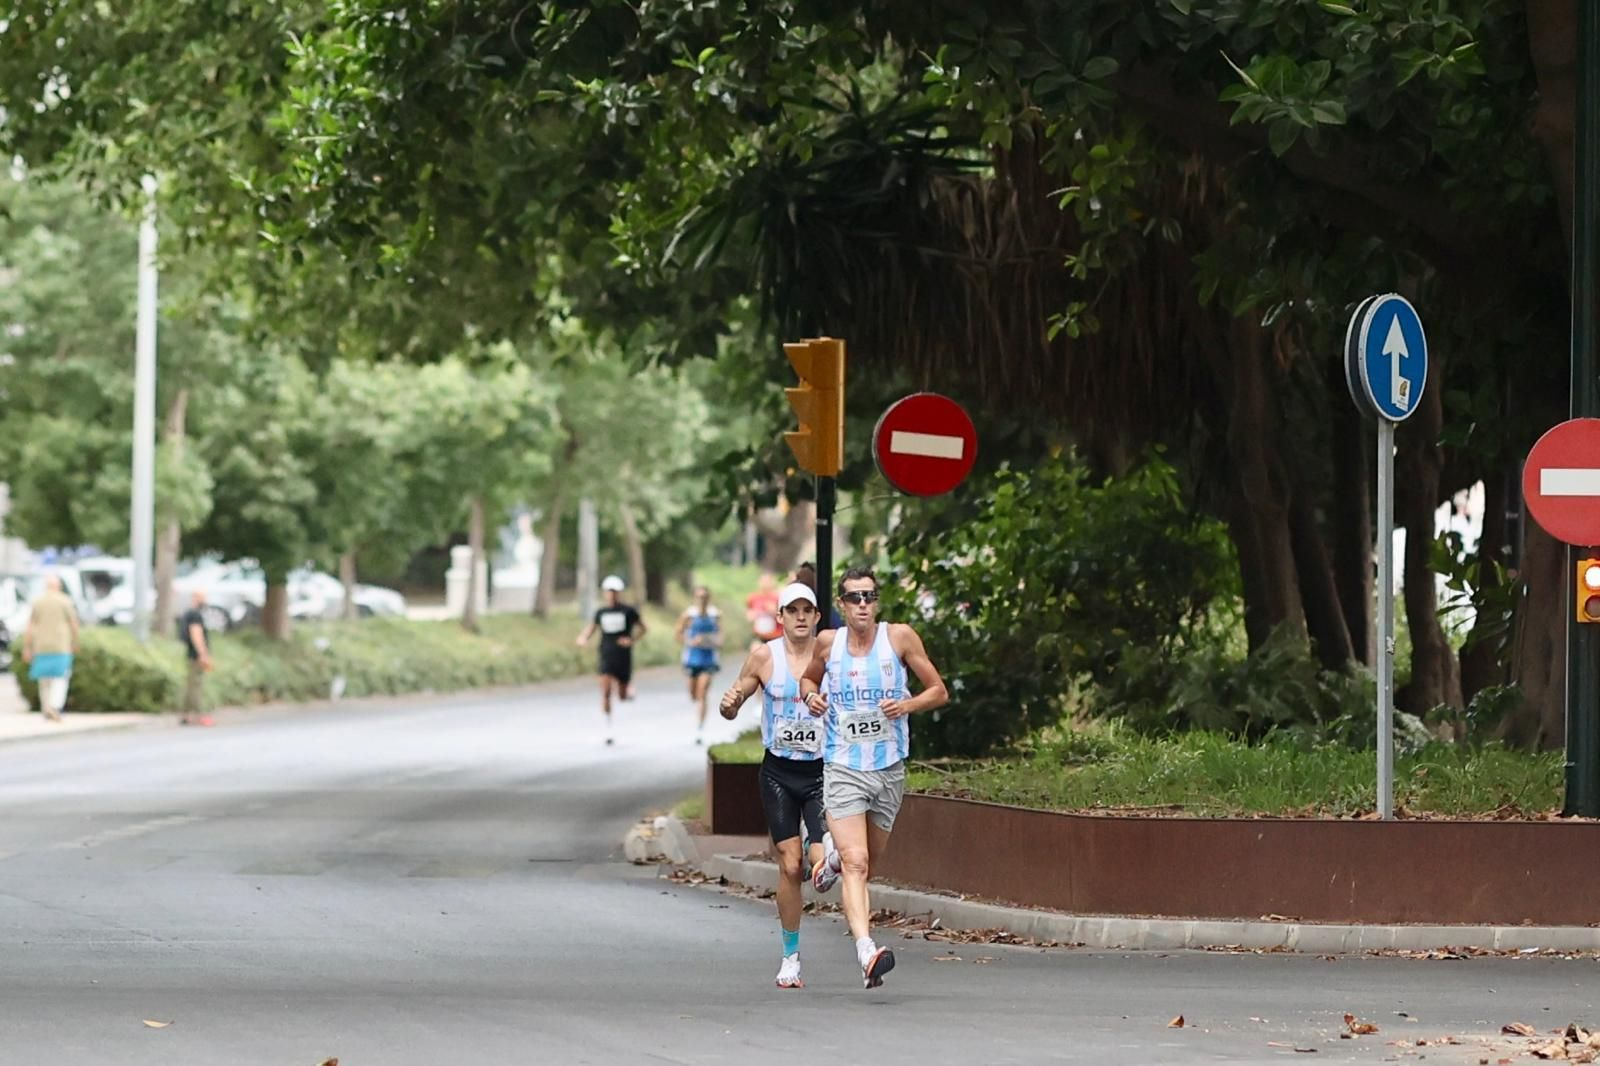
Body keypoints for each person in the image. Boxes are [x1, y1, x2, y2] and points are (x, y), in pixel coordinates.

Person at [801, 566, 948, 989]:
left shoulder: (899, 638)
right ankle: (867, 951)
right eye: (854, 598)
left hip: (888, 769)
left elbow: (938, 690)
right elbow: (809, 678)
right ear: (841, 605)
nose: (862, 604)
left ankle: (830, 860)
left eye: (869, 596)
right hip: (844, 765)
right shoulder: (829, 643)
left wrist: (908, 706)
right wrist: (811, 696)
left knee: (868, 863)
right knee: (858, 862)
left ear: (876, 602)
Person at [718, 582, 834, 989]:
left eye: (808, 610)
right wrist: (730, 704)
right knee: (790, 866)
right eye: (792, 610)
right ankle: (790, 957)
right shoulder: (765, 656)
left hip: (822, 772)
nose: (800, 617)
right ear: (781, 617)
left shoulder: (832, 655)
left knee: (821, 863)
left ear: (818, 617)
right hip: (779, 773)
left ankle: (821, 853)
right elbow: (735, 700)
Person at [576, 575, 645, 745]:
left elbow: (643, 629)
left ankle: (626, 689)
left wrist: (632, 640)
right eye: (608, 591)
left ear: (619, 593)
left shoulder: (628, 611)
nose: (611, 595)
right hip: (606, 654)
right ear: (605, 593)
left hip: (623, 656)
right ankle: (608, 728)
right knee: (605, 691)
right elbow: (591, 628)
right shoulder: (601, 612)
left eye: (614, 591)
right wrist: (583, 638)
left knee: (621, 696)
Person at [22, 574, 79, 723]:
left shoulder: (38, 602)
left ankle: (46, 708)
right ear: (58, 586)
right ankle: (54, 706)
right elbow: (73, 623)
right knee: (61, 678)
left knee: (44, 680)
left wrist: (27, 647)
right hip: (61, 645)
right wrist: (75, 641)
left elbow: (31, 625)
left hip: (41, 645)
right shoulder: (66, 601)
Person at [673, 585, 722, 745]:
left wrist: (714, 641)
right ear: (695, 598)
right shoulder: (689, 615)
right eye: (699, 596)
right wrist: (690, 641)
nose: (702, 599)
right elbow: (678, 634)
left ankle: (699, 729)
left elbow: (721, 635)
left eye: (705, 596)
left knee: (702, 693)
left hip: (709, 659)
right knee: (693, 694)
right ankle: (698, 718)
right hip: (692, 659)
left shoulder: (715, 615)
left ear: (709, 598)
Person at [179, 589, 215, 727]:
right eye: (202, 598)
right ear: (195, 598)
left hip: (190, 654)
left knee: (190, 686)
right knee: (196, 686)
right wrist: (203, 654)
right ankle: (201, 715)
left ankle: (186, 715)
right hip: (196, 656)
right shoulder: (195, 615)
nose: (204, 601)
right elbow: (196, 634)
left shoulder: (188, 613)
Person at [744, 572, 781, 651]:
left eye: (767, 581)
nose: (765, 584)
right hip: (759, 635)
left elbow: (785, 615)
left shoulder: (778, 597)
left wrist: (773, 611)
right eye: (763, 581)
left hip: (776, 636)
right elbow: (748, 615)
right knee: (755, 652)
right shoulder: (753, 598)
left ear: (772, 582)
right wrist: (753, 615)